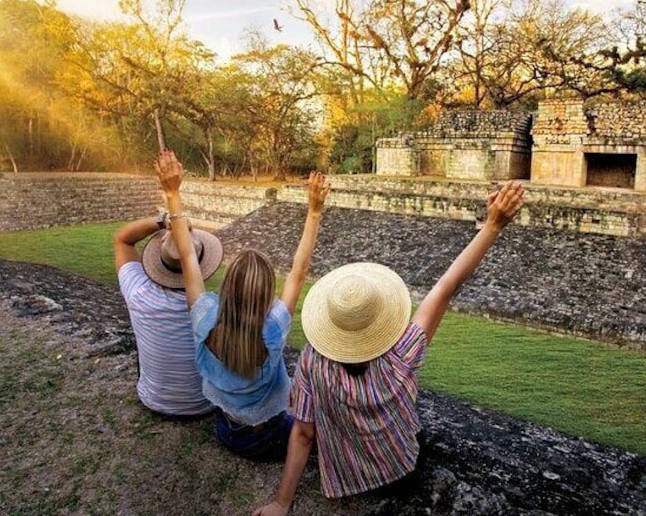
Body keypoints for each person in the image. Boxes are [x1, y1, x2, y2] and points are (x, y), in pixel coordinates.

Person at [254, 181, 525, 515]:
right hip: (401, 469)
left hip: (348, 473)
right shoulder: (401, 353)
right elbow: (446, 287)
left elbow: (304, 434)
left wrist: (282, 502)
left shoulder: (312, 361)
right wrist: (493, 225)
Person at [154, 150, 331, 461]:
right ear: (266, 296)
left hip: (225, 429)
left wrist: (172, 192)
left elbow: (186, 258)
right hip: (268, 436)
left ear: (228, 287)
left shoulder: (205, 315)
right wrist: (314, 213)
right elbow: (299, 272)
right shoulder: (274, 325)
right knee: (322, 425)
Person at [114, 210, 224, 417]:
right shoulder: (215, 309)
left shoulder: (138, 292)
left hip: (152, 399)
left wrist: (162, 221)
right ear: (201, 264)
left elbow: (123, 240)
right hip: (203, 404)